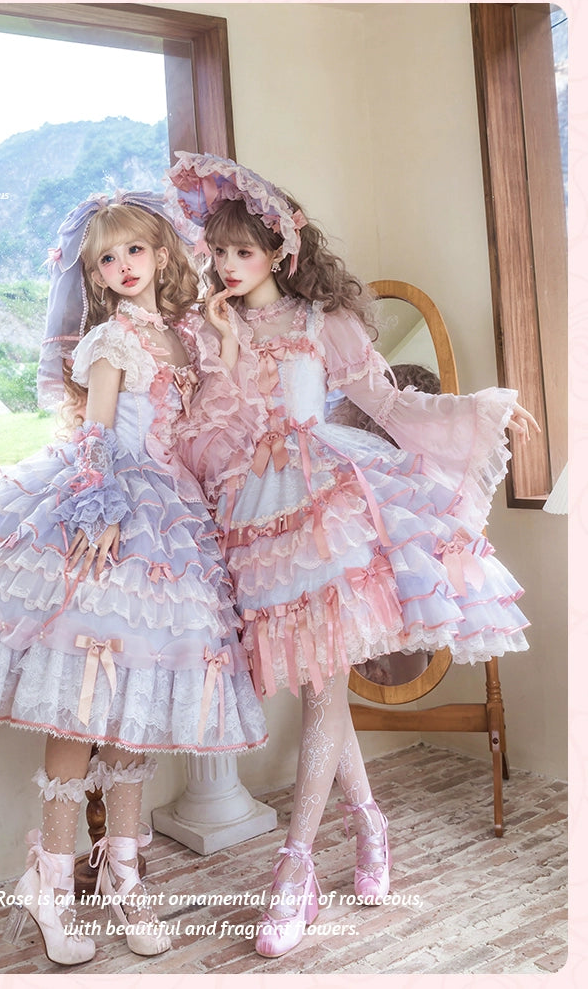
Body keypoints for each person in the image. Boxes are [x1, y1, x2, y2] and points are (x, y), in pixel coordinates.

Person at [0, 190, 268, 966]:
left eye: (134, 250)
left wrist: (223, 336)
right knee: (81, 710)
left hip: (172, 525)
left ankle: (125, 875)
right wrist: (104, 512)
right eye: (107, 258)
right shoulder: (112, 341)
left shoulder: (184, 337)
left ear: (162, 253)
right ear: (95, 273)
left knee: (135, 714)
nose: (123, 266)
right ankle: (50, 882)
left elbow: (216, 415)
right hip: (108, 510)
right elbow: (96, 436)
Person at [166, 152, 540, 958]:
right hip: (254, 518)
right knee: (317, 685)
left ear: (280, 251)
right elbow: (204, 431)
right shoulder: (209, 329)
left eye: (243, 250)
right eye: (218, 250)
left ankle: (294, 868)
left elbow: (386, 402)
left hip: (329, 508)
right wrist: (220, 350)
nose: (227, 264)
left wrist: (477, 410)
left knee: (322, 687)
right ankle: (369, 824)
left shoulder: (319, 323)